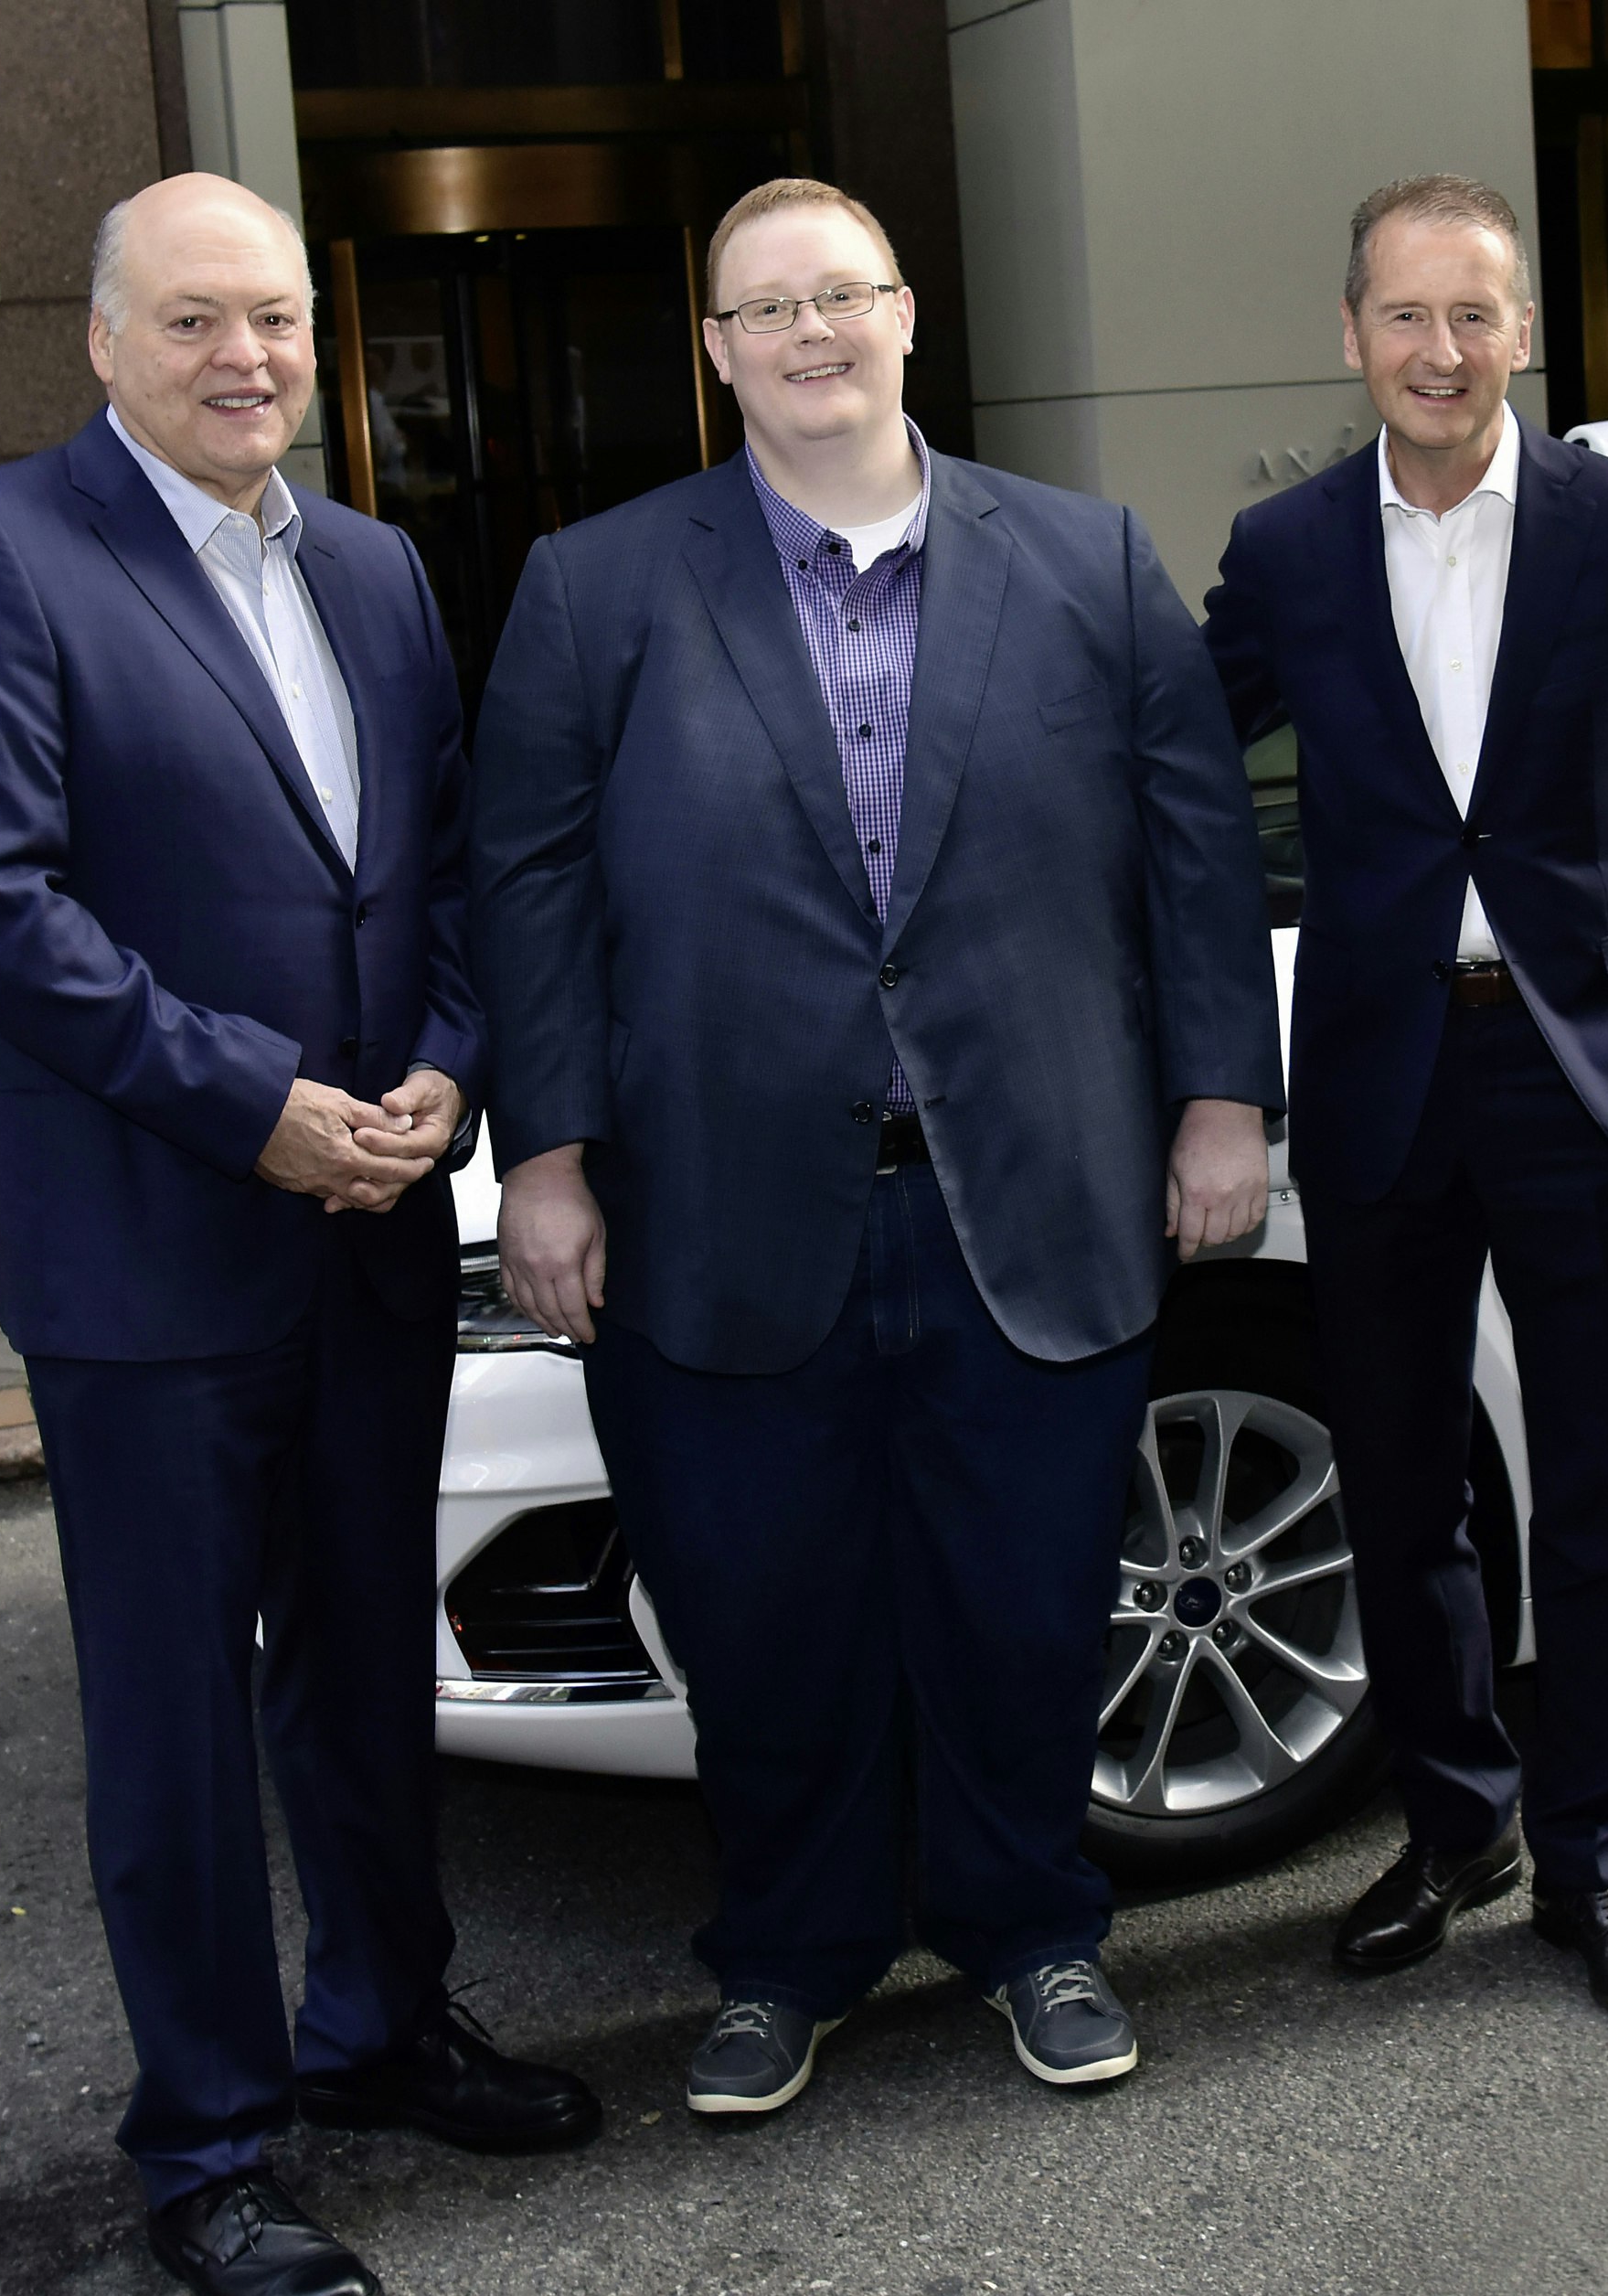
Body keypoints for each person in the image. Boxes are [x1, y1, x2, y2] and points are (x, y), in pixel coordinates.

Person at [470, 178, 1283, 2120]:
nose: (808, 332)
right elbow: (526, 889)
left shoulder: (1087, 568)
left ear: (907, 314)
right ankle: (788, 1957)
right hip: (719, 1216)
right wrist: (547, 1159)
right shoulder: (595, 587)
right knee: (765, 1620)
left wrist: (1220, 1100)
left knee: (1020, 1603)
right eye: (765, 307)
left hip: (1035, 1195)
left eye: (840, 292)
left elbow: (1194, 857)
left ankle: (1036, 1933)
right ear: (717, 351)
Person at [0, 174, 600, 2296]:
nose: (246, 360)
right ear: (102, 345)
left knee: (366, 1659)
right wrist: (253, 1102)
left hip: (369, 1217)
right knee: (181, 1714)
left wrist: (444, 1079)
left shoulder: (374, 565)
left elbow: (448, 869)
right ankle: (207, 2143)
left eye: (276, 319)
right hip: (145, 1234)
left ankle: (380, 2026)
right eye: (195, 321)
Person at [1200, 176, 1608, 2026]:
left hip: (1583, 1066)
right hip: (1377, 1074)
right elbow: (1162, 762)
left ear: (1524, 332)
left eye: (1474, 316)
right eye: (1403, 317)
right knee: (1396, 1479)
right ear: (1348, 333)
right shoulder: (1283, 552)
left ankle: (1591, 1850)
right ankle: (1458, 1822)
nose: (1438, 353)